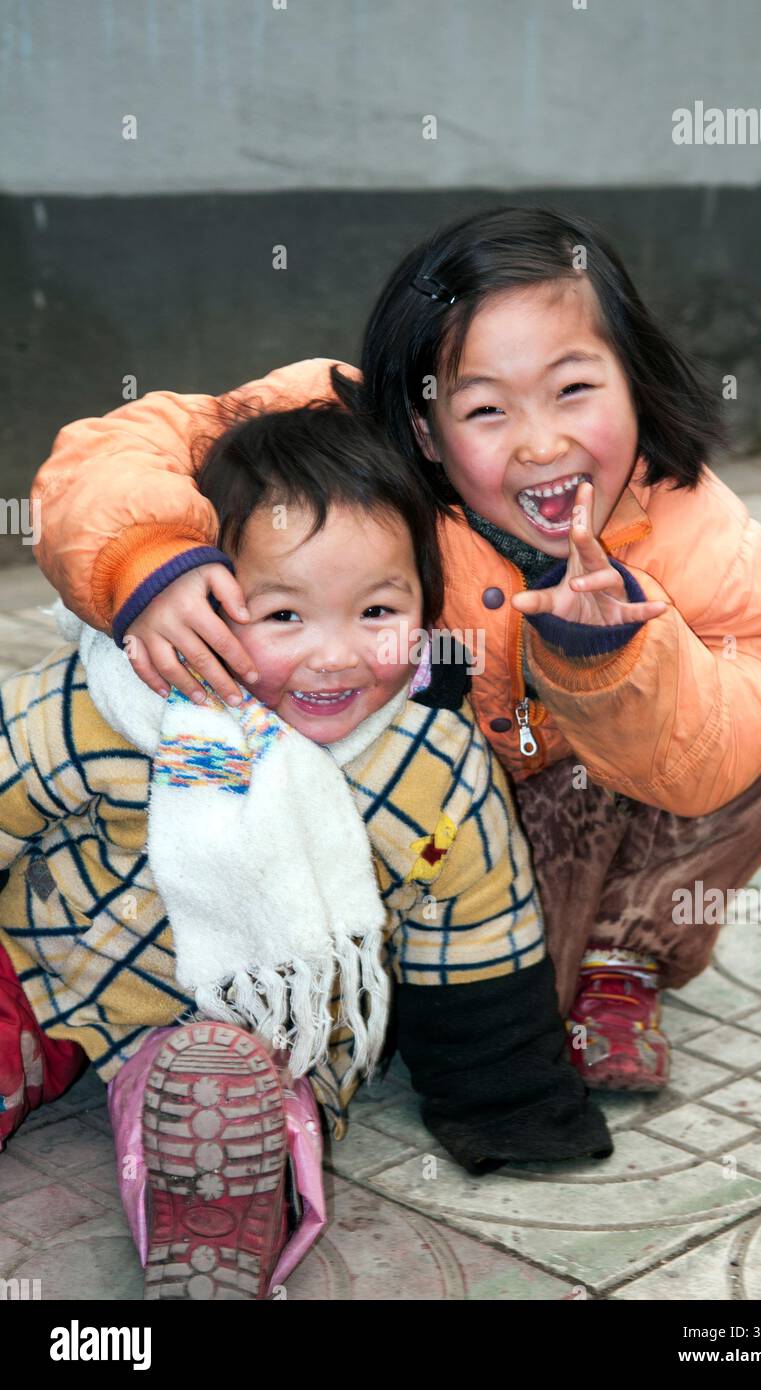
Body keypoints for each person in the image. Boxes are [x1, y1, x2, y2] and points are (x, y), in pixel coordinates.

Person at [31, 205, 761, 1095]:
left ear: (635, 384)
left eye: (574, 390)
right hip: (406, 804)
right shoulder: (340, 421)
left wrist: (605, 663)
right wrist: (150, 555)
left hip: (571, 780)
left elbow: (715, 752)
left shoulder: (696, 526)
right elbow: (120, 447)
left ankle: (624, 958)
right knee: (447, 1020)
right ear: (421, 426)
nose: (542, 442)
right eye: (485, 408)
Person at [1, 399, 612, 1301]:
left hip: (256, 1032)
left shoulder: (430, 765)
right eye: (281, 615)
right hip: (40, 966)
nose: (337, 657)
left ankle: (213, 1211)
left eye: (377, 609)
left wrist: (507, 1098)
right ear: (201, 599)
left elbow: (474, 929)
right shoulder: (109, 705)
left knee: (258, 1109)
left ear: (425, 602)